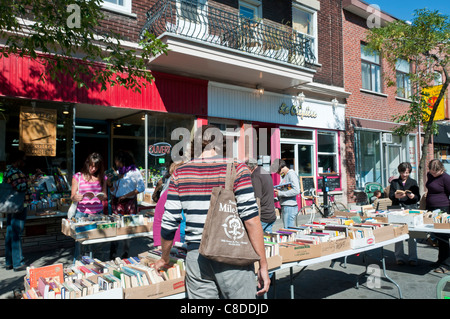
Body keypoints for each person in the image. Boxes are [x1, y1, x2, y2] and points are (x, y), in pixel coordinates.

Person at [154, 124, 270, 299]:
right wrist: (263, 264)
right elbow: (251, 221)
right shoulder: (238, 169)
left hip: (196, 257)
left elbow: (169, 223)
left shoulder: (180, 174)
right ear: (222, 145)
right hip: (232, 254)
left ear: (194, 146)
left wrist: (164, 257)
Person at [108, 150, 145, 258]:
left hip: (129, 203)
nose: (115, 162)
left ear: (122, 160)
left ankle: (125, 254)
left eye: (116, 160)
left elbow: (141, 188)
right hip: (117, 202)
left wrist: (127, 195)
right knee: (115, 227)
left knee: (127, 229)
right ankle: (113, 255)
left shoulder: (135, 172)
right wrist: (110, 185)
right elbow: (113, 191)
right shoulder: (117, 173)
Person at [71, 153, 107, 261]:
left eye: (96, 167)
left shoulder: (102, 177)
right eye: (91, 166)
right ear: (87, 164)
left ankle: (95, 266)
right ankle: (77, 263)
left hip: (97, 213)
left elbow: (105, 195)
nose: (93, 169)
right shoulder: (77, 176)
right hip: (82, 213)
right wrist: (76, 197)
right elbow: (72, 196)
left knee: (97, 241)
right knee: (80, 243)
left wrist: (102, 196)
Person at [389, 162, 420, 266]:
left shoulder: (413, 182)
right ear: (400, 171)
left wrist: (413, 197)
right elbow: (390, 195)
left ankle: (413, 258)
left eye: (407, 172)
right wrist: (396, 196)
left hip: (410, 208)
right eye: (403, 172)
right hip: (397, 209)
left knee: (412, 233)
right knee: (398, 233)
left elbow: (417, 197)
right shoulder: (394, 182)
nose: (405, 174)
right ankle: (399, 257)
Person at [4, 150, 28, 271]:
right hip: (18, 206)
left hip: (10, 206)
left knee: (9, 234)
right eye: (23, 159)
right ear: (18, 160)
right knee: (16, 234)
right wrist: (29, 181)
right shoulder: (15, 172)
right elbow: (20, 187)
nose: (24, 162)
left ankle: (9, 262)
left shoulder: (7, 171)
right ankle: (18, 263)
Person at [425, 159, 450, 273]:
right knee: (437, 237)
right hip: (431, 208)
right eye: (432, 172)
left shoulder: (446, 177)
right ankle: (440, 260)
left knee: (444, 237)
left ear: (441, 169)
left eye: (436, 172)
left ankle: (447, 264)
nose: (434, 174)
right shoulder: (430, 175)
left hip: (442, 208)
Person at [246, 158, 277, 233]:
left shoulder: (255, 176)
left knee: (255, 241)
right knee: (267, 241)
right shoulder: (263, 171)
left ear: (249, 168)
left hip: (263, 216)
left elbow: (257, 198)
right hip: (271, 213)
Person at [274, 160, 300, 229]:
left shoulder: (291, 174)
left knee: (288, 230)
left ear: (281, 167)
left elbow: (296, 190)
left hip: (289, 206)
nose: (278, 173)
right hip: (286, 205)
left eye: (278, 171)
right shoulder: (284, 176)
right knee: (287, 228)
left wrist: (280, 193)